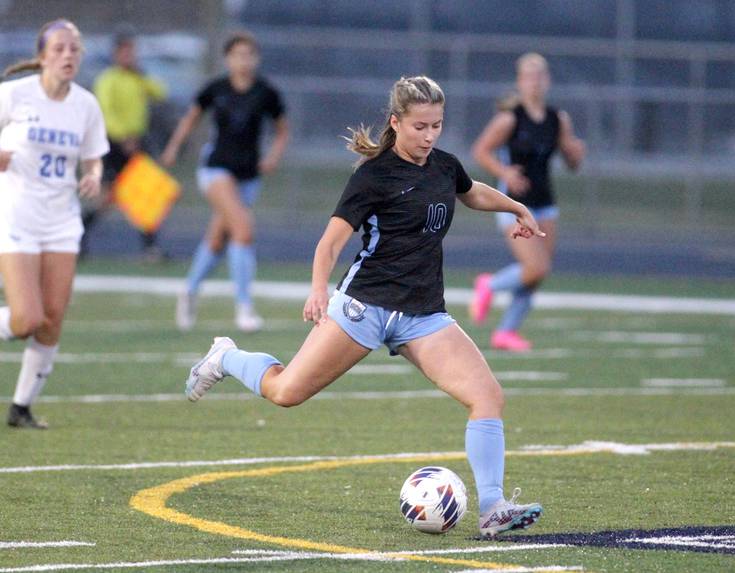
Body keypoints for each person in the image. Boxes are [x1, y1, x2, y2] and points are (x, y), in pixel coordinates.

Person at [184, 76, 545, 537]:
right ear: (396, 123)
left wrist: (517, 208)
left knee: (487, 396)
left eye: (437, 125)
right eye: (420, 126)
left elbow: (471, 190)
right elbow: (331, 242)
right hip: (364, 308)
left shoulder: (443, 166)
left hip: (423, 315)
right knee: (286, 392)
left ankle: (493, 507)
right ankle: (226, 356)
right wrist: (319, 289)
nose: (430, 135)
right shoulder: (372, 177)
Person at [0, 20, 109, 428]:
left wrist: (94, 175)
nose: (68, 55)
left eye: (75, 49)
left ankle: (21, 407)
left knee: (52, 318)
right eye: (60, 48)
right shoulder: (12, 95)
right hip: (15, 216)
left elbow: (94, 155)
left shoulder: (86, 105)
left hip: (62, 221)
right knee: (27, 318)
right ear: (43, 55)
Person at [161, 31, 288, 333]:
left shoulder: (266, 92)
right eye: (238, 55)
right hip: (215, 170)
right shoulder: (215, 89)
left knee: (218, 239)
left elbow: (283, 130)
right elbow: (191, 118)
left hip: (248, 176)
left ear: (256, 58)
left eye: (249, 55)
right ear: (228, 58)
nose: (244, 60)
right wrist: (173, 147)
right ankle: (244, 308)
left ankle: (189, 290)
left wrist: (272, 157)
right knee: (243, 230)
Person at [470, 53, 585, 351]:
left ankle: (506, 332)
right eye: (528, 76)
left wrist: (575, 153)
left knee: (537, 274)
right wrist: (505, 171)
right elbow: (481, 151)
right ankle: (489, 286)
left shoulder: (558, 119)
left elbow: (572, 162)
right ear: (520, 82)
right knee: (535, 267)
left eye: (539, 76)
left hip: (545, 202)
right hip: (513, 203)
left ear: (547, 80)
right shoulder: (510, 118)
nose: (534, 82)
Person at [85, 29, 168, 262]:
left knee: (146, 194)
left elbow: (160, 92)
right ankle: (78, 236)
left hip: (137, 142)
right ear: (115, 54)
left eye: (131, 52)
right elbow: (106, 112)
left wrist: (141, 76)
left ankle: (150, 248)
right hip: (115, 144)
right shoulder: (108, 79)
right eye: (124, 52)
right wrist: (123, 138)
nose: (129, 56)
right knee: (107, 198)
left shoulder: (137, 78)